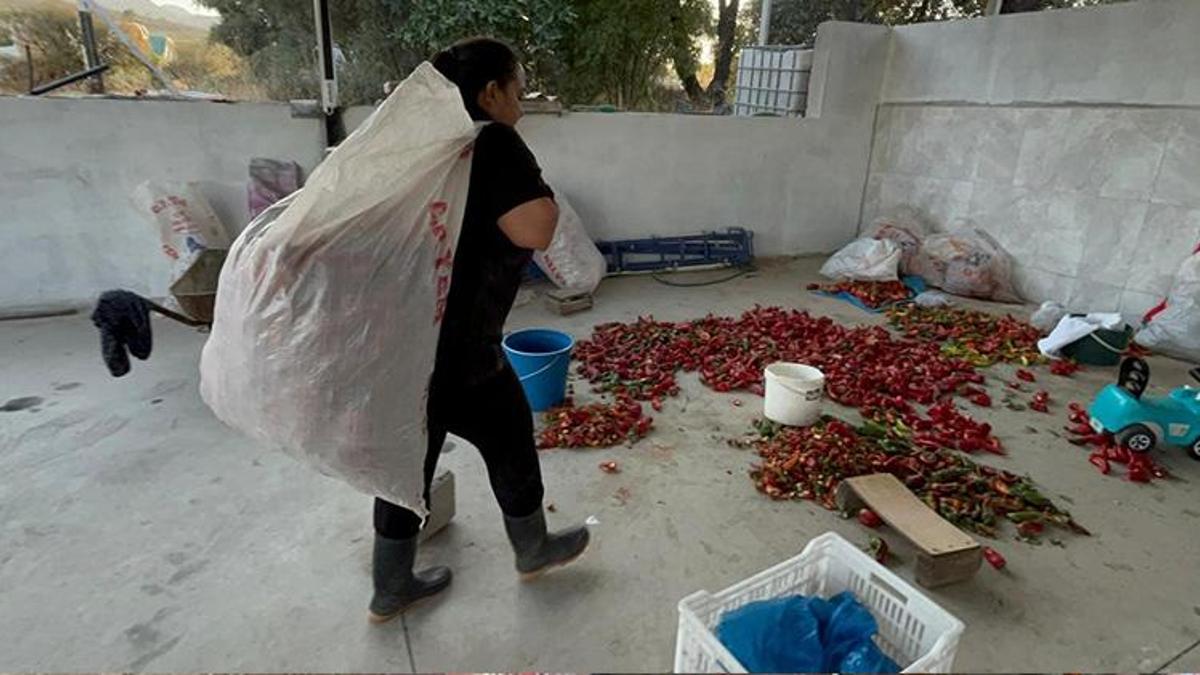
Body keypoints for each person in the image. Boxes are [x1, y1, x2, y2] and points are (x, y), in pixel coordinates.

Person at [368, 37, 590, 623]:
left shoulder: (424, 147)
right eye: (516, 89)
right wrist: (536, 184)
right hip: (461, 348)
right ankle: (534, 548)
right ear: (489, 93)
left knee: (407, 469)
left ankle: (389, 589)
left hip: (403, 345)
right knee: (510, 434)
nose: (521, 100)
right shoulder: (491, 142)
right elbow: (535, 229)